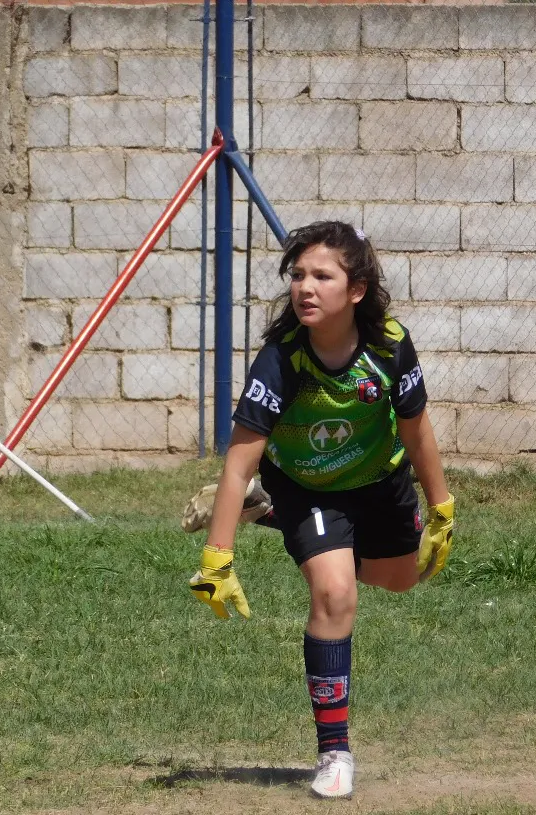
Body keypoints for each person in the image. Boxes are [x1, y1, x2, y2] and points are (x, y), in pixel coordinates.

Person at [186, 220, 454, 799]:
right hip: (307, 487)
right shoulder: (280, 361)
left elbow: (417, 430)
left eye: (321, 276)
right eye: (298, 275)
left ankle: (274, 516)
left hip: (380, 483)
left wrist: (442, 509)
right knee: (335, 593)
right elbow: (238, 464)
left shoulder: (388, 345)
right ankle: (334, 752)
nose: (305, 287)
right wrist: (216, 557)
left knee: (401, 580)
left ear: (355, 289)